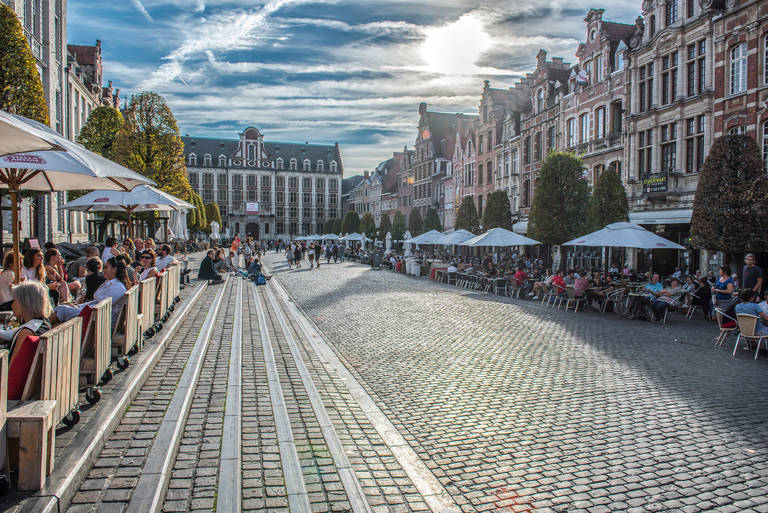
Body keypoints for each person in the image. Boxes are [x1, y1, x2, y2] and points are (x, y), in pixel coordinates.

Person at [53, 257, 130, 328]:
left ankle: (42, 329)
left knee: (62, 310)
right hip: (96, 317)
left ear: (114, 269)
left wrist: (80, 306)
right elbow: (97, 297)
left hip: (99, 321)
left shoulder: (117, 287)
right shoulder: (110, 283)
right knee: (58, 320)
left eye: (106, 267)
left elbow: (98, 298)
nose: (103, 270)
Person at [0, 282, 51, 362]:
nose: (12, 305)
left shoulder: (26, 333)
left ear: (25, 303)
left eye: (14, 300)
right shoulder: (43, 324)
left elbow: (12, 369)